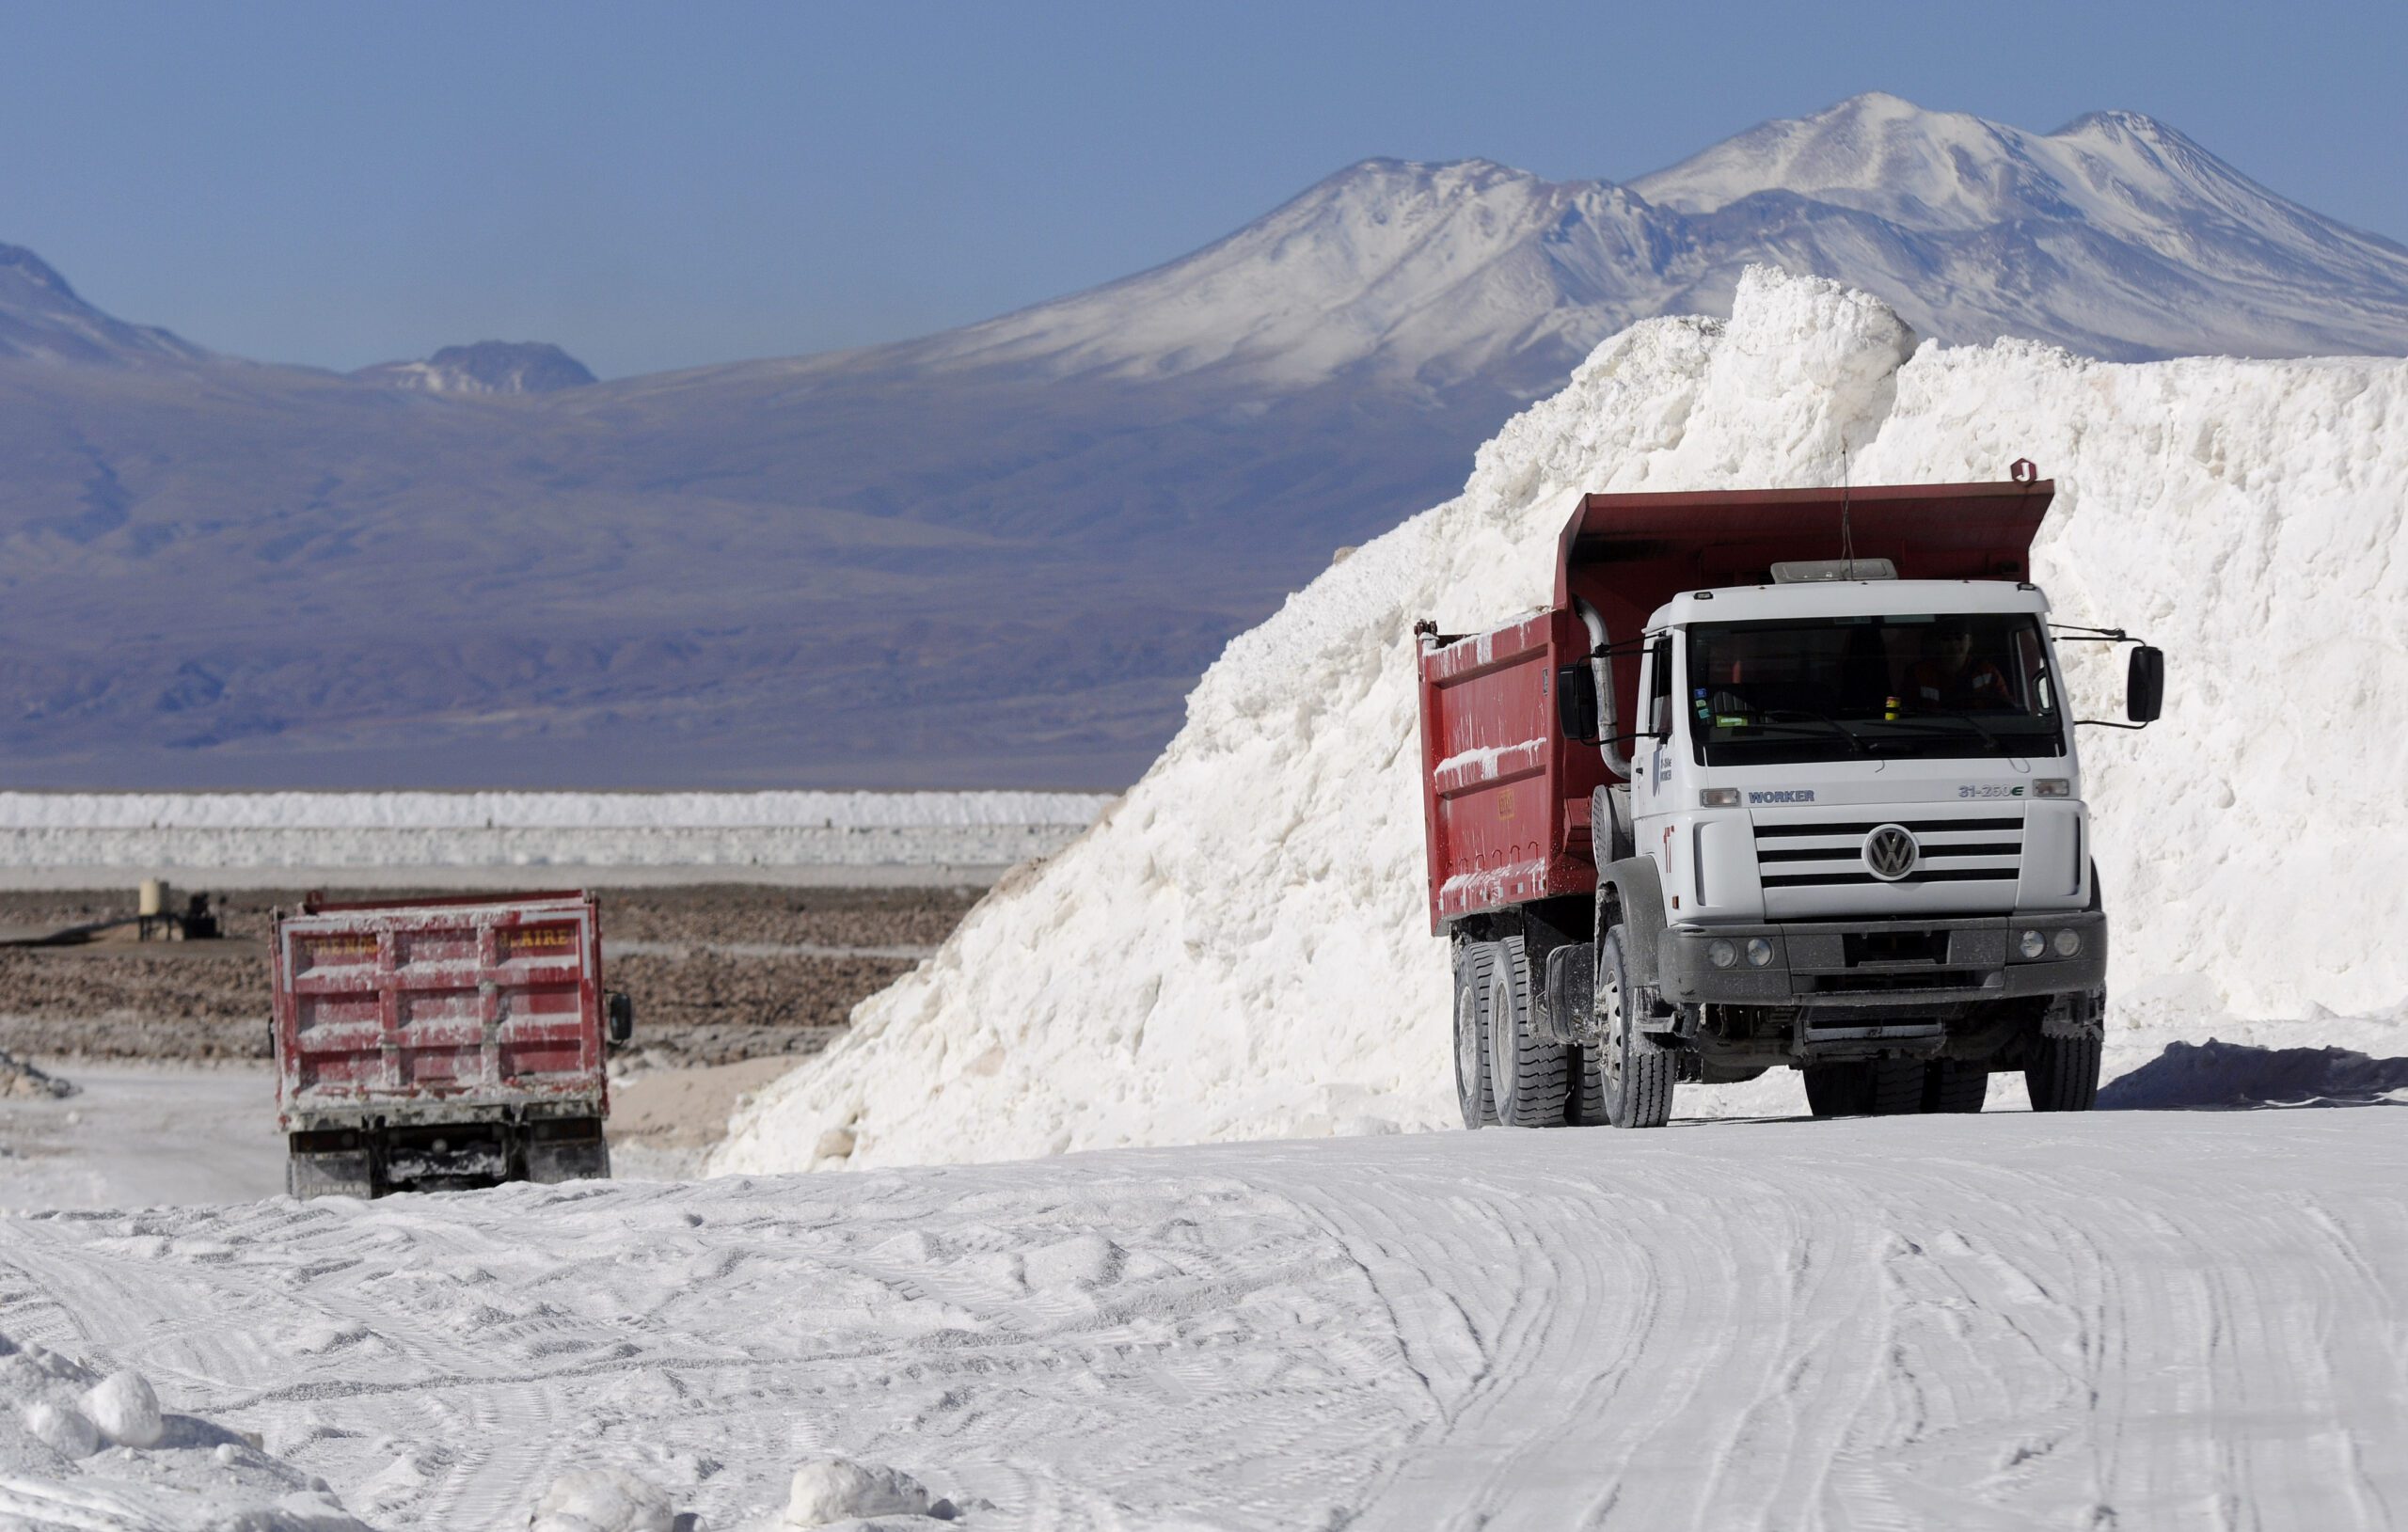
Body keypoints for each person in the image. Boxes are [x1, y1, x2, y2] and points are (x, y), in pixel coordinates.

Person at [1906, 619, 2013, 711]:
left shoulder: (1987, 672)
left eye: (1959, 638)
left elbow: (2007, 708)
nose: (1953, 644)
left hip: (1980, 732)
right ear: (1938, 643)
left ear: (1970, 641)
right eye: (1946, 639)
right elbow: (1903, 712)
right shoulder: (1919, 673)